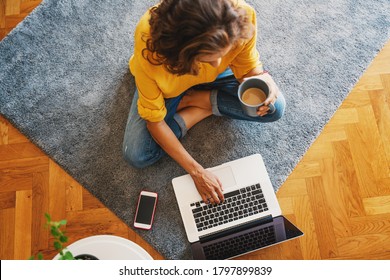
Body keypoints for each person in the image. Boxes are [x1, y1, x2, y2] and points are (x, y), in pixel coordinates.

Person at [123, 0, 285, 205]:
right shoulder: (152, 49)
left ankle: (202, 101)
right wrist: (197, 172)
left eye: (223, 52)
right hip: (168, 84)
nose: (217, 65)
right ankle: (204, 106)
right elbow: (154, 122)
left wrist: (264, 78)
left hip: (204, 74)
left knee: (273, 108)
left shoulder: (239, 15)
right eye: (208, 59)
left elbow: (248, 68)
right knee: (138, 155)